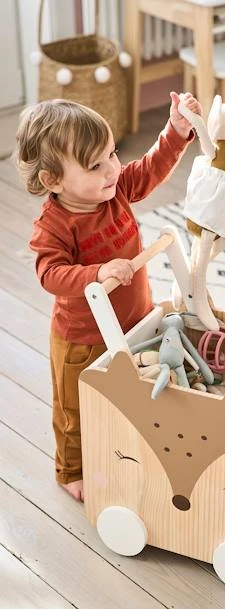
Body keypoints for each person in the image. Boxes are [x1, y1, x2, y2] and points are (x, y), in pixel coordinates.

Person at [16, 92, 201, 502]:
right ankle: (71, 470)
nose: (112, 170)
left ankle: (126, 446)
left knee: (131, 391)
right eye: (95, 166)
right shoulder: (54, 225)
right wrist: (97, 273)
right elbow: (50, 274)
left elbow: (150, 169)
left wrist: (176, 131)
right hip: (84, 338)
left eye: (112, 154)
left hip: (135, 320)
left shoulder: (115, 190)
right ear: (53, 181)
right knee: (75, 408)